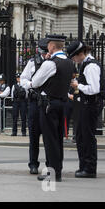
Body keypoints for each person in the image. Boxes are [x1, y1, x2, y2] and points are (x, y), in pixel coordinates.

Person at [30, 35, 73, 182]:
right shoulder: (68, 62)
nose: (47, 47)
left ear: (52, 47)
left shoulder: (50, 64)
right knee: (58, 139)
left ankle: (53, 173)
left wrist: (46, 62)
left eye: (48, 44)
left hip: (49, 104)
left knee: (50, 140)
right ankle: (57, 171)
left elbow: (35, 82)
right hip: (62, 103)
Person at [67, 41, 105, 179]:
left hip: (91, 104)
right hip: (86, 104)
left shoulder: (91, 66)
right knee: (81, 136)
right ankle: (84, 166)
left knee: (87, 137)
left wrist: (78, 85)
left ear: (80, 54)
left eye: (73, 57)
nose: (73, 60)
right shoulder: (86, 64)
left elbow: (94, 89)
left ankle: (89, 168)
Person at [21, 38, 49, 175]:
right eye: (43, 53)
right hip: (34, 102)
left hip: (48, 102)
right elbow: (23, 79)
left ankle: (50, 164)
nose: (44, 55)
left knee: (49, 136)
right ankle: (33, 164)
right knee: (33, 136)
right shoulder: (32, 63)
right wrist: (31, 85)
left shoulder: (52, 63)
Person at [64, 66, 80, 141]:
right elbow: (62, 88)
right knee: (66, 118)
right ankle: (65, 135)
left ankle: (75, 135)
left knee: (76, 119)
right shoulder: (66, 79)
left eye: (73, 73)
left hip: (76, 102)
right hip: (67, 101)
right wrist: (68, 95)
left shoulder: (78, 80)